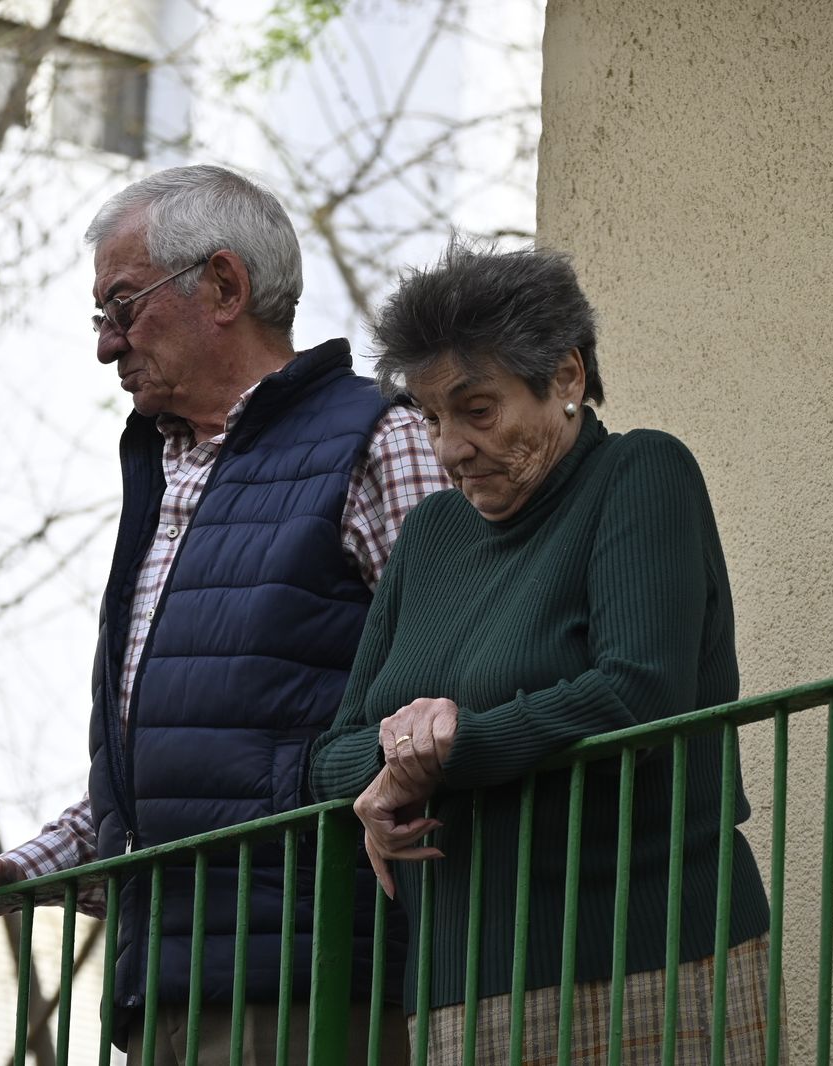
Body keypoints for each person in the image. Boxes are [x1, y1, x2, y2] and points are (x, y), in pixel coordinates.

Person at [0, 165, 447, 1065]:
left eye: (121, 308)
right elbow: (180, 769)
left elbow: (454, 672)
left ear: (225, 287)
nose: (106, 347)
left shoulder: (377, 440)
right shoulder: (164, 471)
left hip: (308, 983)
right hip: (162, 989)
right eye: (101, 319)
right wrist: (20, 872)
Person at [308, 243, 776, 1063]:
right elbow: (336, 754)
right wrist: (398, 758)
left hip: (640, 955)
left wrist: (454, 743)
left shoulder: (639, 475)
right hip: (452, 987)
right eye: (431, 418)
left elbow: (637, 692)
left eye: (477, 409)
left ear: (565, 377)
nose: (449, 449)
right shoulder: (429, 537)